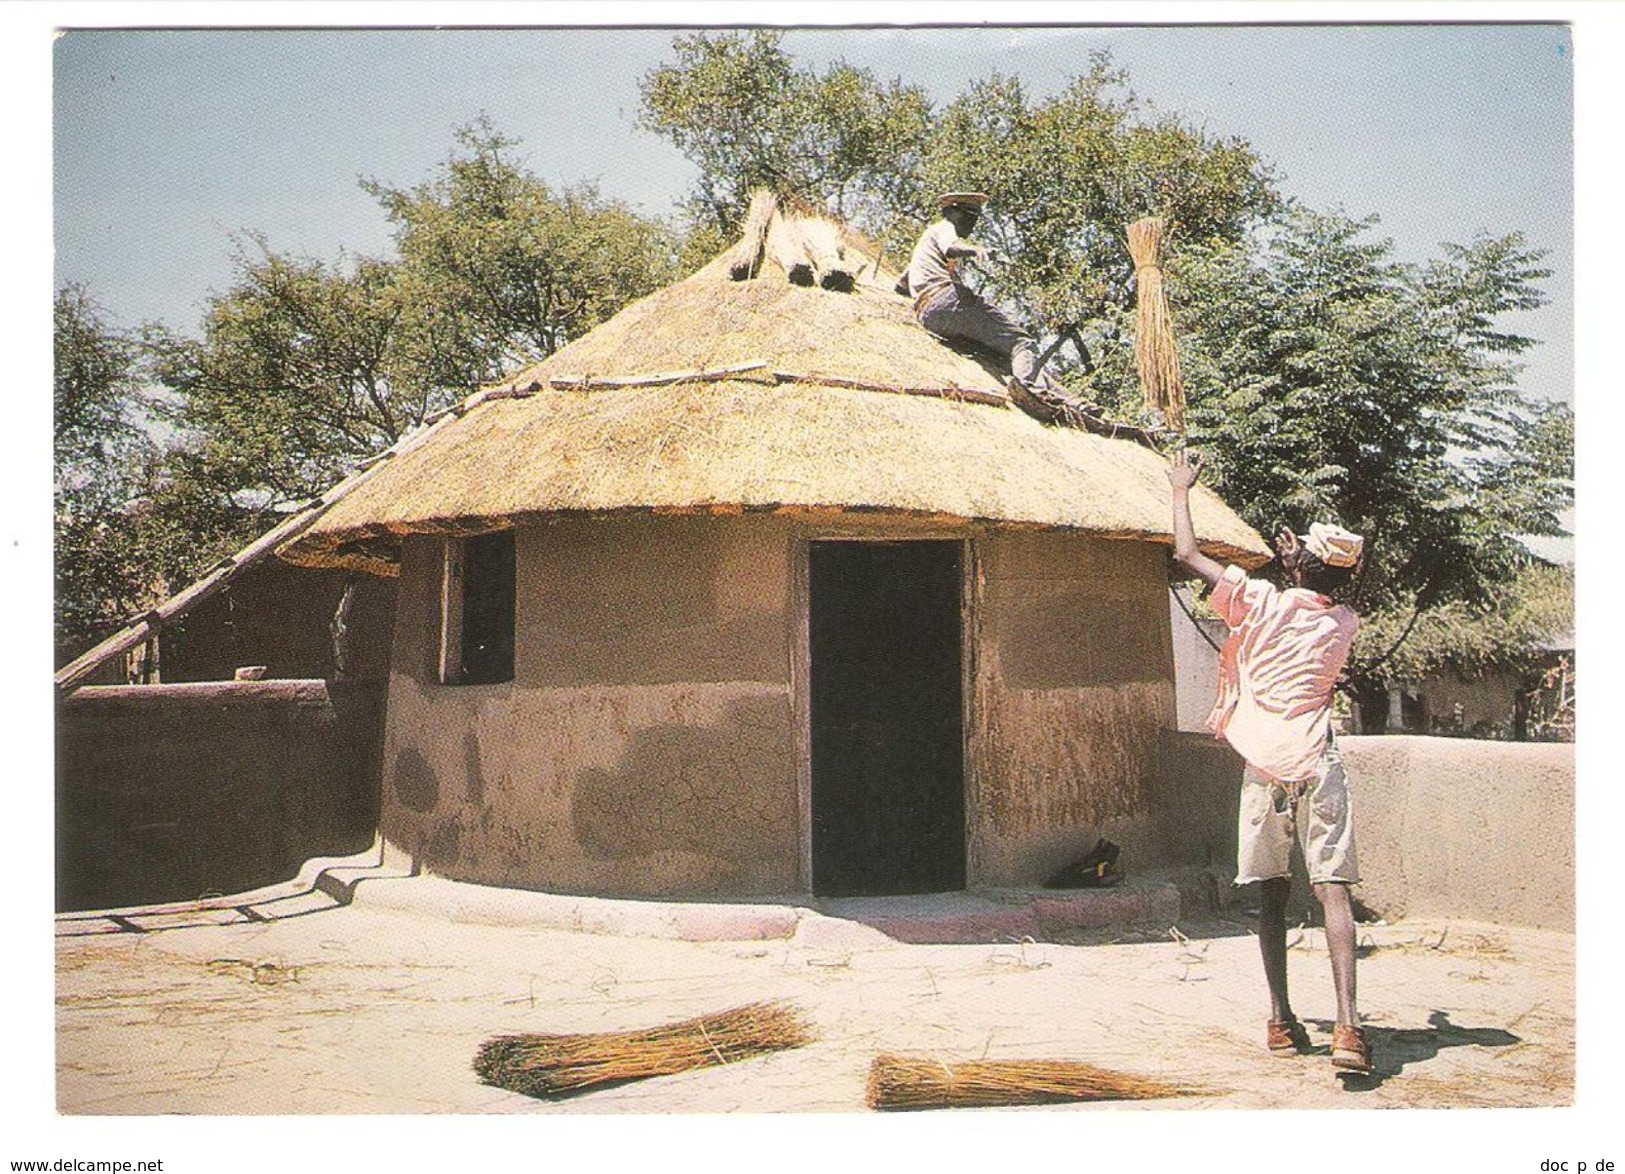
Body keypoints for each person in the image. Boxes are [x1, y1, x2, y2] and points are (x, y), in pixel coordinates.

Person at [1166, 450, 1372, 1077]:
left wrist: (1181, 490)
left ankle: (1281, 1019)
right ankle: (1348, 1029)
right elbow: (1308, 600)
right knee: (1333, 892)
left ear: (1299, 565)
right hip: (1319, 761)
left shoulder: (1259, 602)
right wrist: (1299, 568)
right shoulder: (1344, 621)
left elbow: (1188, 554)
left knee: (1272, 898)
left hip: (1265, 765)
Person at [905, 193, 1095, 426]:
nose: (972, 222)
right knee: (1022, 342)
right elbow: (953, 247)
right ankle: (1031, 391)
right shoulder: (944, 229)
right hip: (949, 301)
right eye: (968, 215)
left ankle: (1075, 402)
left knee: (1007, 355)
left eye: (976, 217)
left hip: (930, 316)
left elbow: (903, 282)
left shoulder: (925, 246)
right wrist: (976, 250)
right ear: (952, 211)